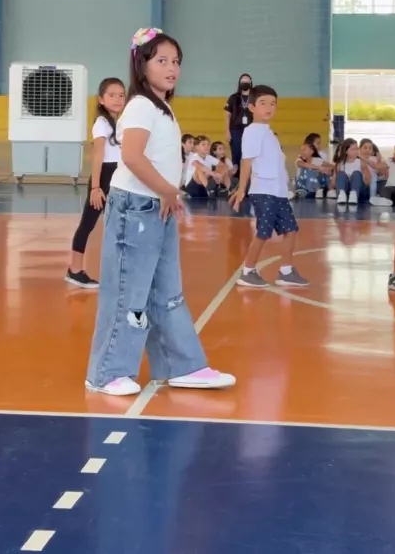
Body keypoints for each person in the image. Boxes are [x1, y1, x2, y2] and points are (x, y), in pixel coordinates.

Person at [86, 27, 235, 396]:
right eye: (162, 60)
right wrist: (168, 189)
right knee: (127, 293)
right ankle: (105, 373)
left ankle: (181, 365)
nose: (172, 68)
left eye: (176, 61)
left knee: (167, 292)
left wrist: (168, 194)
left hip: (157, 206)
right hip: (135, 208)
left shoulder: (161, 107)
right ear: (142, 65)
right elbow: (132, 156)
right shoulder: (139, 105)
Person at [230, 84, 309, 288]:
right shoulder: (252, 131)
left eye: (273, 104)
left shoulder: (269, 133)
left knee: (290, 229)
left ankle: (286, 271)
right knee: (263, 232)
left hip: (278, 192)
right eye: (263, 103)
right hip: (263, 191)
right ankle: (248, 271)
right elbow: (247, 161)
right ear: (252, 107)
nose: (269, 108)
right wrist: (241, 189)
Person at [66, 77, 126, 289]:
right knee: (88, 224)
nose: (117, 99)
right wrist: (95, 187)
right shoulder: (101, 123)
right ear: (101, 99)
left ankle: (121, 271)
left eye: (121, 95)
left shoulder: (118, 122)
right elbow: (98, 155)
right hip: (104, 178)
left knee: (120, 225)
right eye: (112, 95)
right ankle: (75, 270)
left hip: (118, 177)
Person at [224, 73, 253, 171]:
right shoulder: (233, 98)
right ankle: (236, 177)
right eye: (243, 81)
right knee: (236, 154)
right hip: (235, 130)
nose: (245, 82)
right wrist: (227, 131)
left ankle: (249, 177)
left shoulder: (255, 98)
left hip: (251, 130)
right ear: (239, 83)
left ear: (251, 83)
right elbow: (227, 115)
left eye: (247, 81)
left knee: (249, 155)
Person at [334, 138, 371, 205]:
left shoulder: (361, 162)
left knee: (356, 174)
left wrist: (355, 181)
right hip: (347, 190)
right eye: (353, 149)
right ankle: (342, 194)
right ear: (346, 151)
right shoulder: (340, 164)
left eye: (357, 149)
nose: (356, 151)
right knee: (341, 174)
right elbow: (333, 183)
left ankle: (354, 194)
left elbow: (368, 181)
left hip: (360, 191)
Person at [358, 138, 392, 207]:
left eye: (370, 148)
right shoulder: (357, 159)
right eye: (365, 148)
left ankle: (375, 197)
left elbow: (382, 172)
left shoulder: (374, 159)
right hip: (363, 184)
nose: (368, 150)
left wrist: (378, 161)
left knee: (375, 178)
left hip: (375, 183)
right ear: (360, 149)